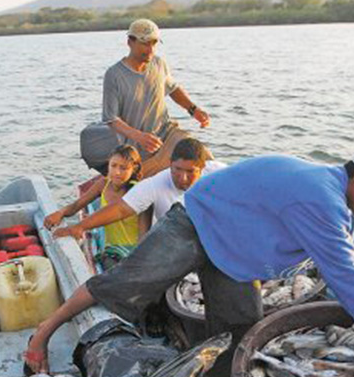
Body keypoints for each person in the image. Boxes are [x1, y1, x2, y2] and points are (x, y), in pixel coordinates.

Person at [25, 143, 354, 375]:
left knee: (240, 332)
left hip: (234, 257)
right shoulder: (320, 197)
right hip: (194, 225)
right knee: (119, 284)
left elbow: (344, 253)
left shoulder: (339, 204)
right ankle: (42, 333)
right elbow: (346, 275)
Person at [53, 137, 224, 242]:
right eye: (177, 170)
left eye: (190, 172)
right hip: (178, 242)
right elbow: (120, 209)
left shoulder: (219, 173)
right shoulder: (155, 185)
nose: (183, 178)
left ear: (202, 168)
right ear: (170, 163)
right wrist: (79, 227)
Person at [103, 18, 211, 179]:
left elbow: (173, 88)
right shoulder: (114, 75)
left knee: (203, 156)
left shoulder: (159, 64)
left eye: (154, 43)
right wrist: (139, 136)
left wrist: (193, 109)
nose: (150, 49)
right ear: (129, 42)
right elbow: (110, 119)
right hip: (137, 147)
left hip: (168, 134)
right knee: (142, 187)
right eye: (145, 43)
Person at [44, 145, 148, 270]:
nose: (117, 172)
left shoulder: (138, 192)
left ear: (134, 169)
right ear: (108, 165)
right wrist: (60, 212)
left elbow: (144, 236)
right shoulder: (103, 184)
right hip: (110, 248)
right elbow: (77, 205)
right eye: (113, 166)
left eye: (123, 168)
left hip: (130, 250)